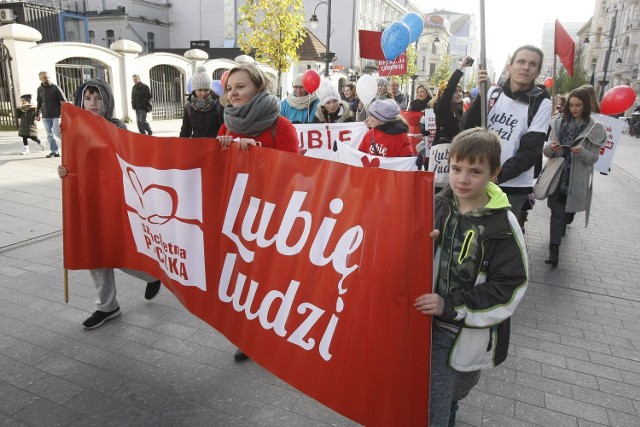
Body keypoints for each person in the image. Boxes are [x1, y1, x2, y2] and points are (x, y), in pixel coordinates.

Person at [414, 128, 528, 427]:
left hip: (463, 331)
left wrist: (450, 305)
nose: (462, 179)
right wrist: (421, 244)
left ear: (494, 173)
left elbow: (509, 287)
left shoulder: (503, 225)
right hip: (424, 326)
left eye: (475, 171)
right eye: (456, 169)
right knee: (429, 407)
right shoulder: (436, 205)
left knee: (447, 400)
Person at [57, 79, 162, 329]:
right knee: (95, 252)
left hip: (114, 199)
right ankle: (107, 306)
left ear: (107, 101)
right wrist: (63, 170)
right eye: (88, 98)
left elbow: (130, 160)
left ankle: (151, 276)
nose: (93, 103)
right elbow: (75, 163)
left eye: (98, 98)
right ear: (81, 102)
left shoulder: (117, 127)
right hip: (87, 199)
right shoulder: (72, 129)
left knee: (116, 249)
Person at [217, 64, 299, 360]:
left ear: (257, 87)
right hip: (240, 214)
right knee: (245, 276)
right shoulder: (227, 125)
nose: (234, 93)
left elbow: (294, 176)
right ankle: (249, 337)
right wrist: (223, 149)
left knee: (268, 278)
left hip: (273, 218)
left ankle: (272, 329)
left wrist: (259, 156)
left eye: (240, 86)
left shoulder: (281, 125)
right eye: (230, 88)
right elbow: (218, 171)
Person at [461, 45, 552, 219]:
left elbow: (530, 151)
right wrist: (481, 94)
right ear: (510, 67)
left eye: (532, 64)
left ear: (538, 72)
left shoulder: (541, 102)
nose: (526, 67)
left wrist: (495, 176)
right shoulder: (493, 93)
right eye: (521, 61)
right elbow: (466, 129)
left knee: (498, 239)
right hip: (479, 176)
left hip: (512, 186)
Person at [543, 87, 605, 267]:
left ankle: (554, 248)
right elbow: (547, 150)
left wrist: (582, 152)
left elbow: (593, 158)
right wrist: (551, 148)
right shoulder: (559, 122)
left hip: (575, 178)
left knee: (562, 212)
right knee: (556, 211)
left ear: (586, 105)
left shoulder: (595, 127)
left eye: (578, 105)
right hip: (557, 175)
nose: (574, 108)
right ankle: (555, 246)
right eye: (571, 105)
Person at [179, 66, 224, 138]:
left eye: (206, 90)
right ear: (194, 90)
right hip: (196, 145)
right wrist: (181, 145)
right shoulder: (189, 106)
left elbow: (225, 127)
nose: (203, 93)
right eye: (200, 90)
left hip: (215, 144)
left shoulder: (218, 104)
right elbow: (185, 129)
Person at [36, 71, 67, 158]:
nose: (46, 79)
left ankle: (69, 143)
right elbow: (39, 102)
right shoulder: (39, 89)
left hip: (56, 114)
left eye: (47, 77)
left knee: (57, 132)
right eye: (44, 78)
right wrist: (37, 113)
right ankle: (54, 151)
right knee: (49, 134)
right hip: (45, 115)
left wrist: (65, 113)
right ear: (40, 79)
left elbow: (64, 101)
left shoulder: (55, 88)